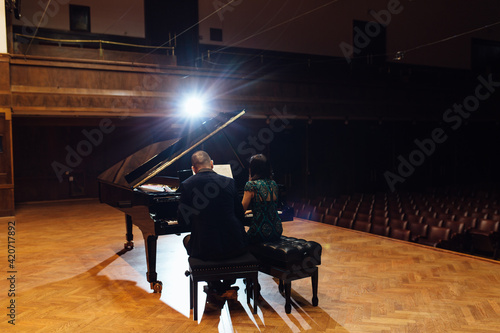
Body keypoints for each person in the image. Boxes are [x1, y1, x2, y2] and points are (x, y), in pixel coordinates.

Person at [177, 150, 247, 307]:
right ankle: (226, 287)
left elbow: (182, 221)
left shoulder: (187, 185)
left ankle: (215, 287)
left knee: (187, 239)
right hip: (235, 245)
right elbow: (240, 215)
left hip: (206, 248)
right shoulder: (230, 182)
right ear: (212, 164)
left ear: (193, 168)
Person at [242, 154, 283, 244]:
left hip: (259, 233)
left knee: (240, 236)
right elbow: (266, 207)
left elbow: (241, 210)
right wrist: (249, 211)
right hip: (277, 230)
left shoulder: (251, 185)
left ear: (252, 168)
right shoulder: (273, 184)